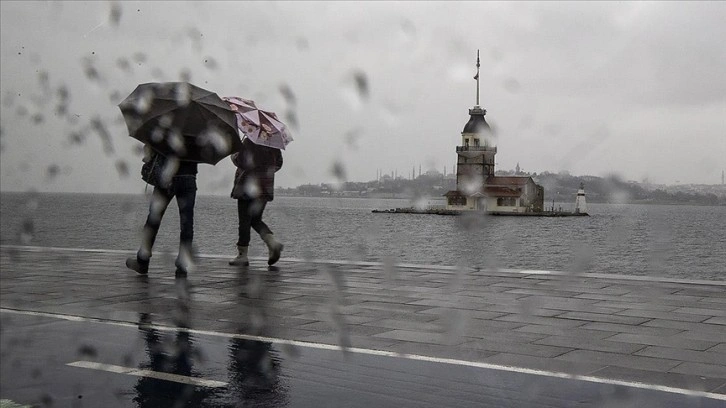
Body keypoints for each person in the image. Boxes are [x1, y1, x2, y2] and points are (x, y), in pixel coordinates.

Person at [126, 145, 198, 275]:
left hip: (166, 177)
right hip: (188, 177)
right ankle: (182, 264)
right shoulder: (198, 129)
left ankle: (143, 260)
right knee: (187, 223)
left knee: (153, 220)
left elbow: (152, 147)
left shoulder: (168, 127)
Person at [229, 137, 284, 266]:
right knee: (255, 219)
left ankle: (242, 255)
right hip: (264, 187)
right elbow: (279, 163)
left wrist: (234, 155)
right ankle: (272, 243)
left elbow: (241, 161)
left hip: (247, 187)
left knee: (244, 220)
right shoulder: (273, 143)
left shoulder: (249, 141)